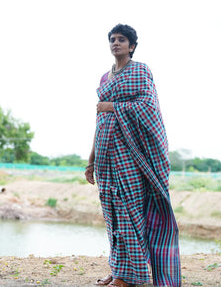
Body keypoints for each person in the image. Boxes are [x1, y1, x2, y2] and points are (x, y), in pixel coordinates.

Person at [85, 24, 181, 287]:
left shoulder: (140, 71)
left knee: (129, 212)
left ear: (132, 46)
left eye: (122, 40)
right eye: (112, 40)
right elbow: (99, 121)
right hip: (106, 156)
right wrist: (91, 161)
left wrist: (113, 106)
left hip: (131, 157)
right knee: (112, 214)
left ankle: (133, 275)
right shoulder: (105, 78)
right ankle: (117, 271)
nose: (116, 43)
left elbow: (148, 107)